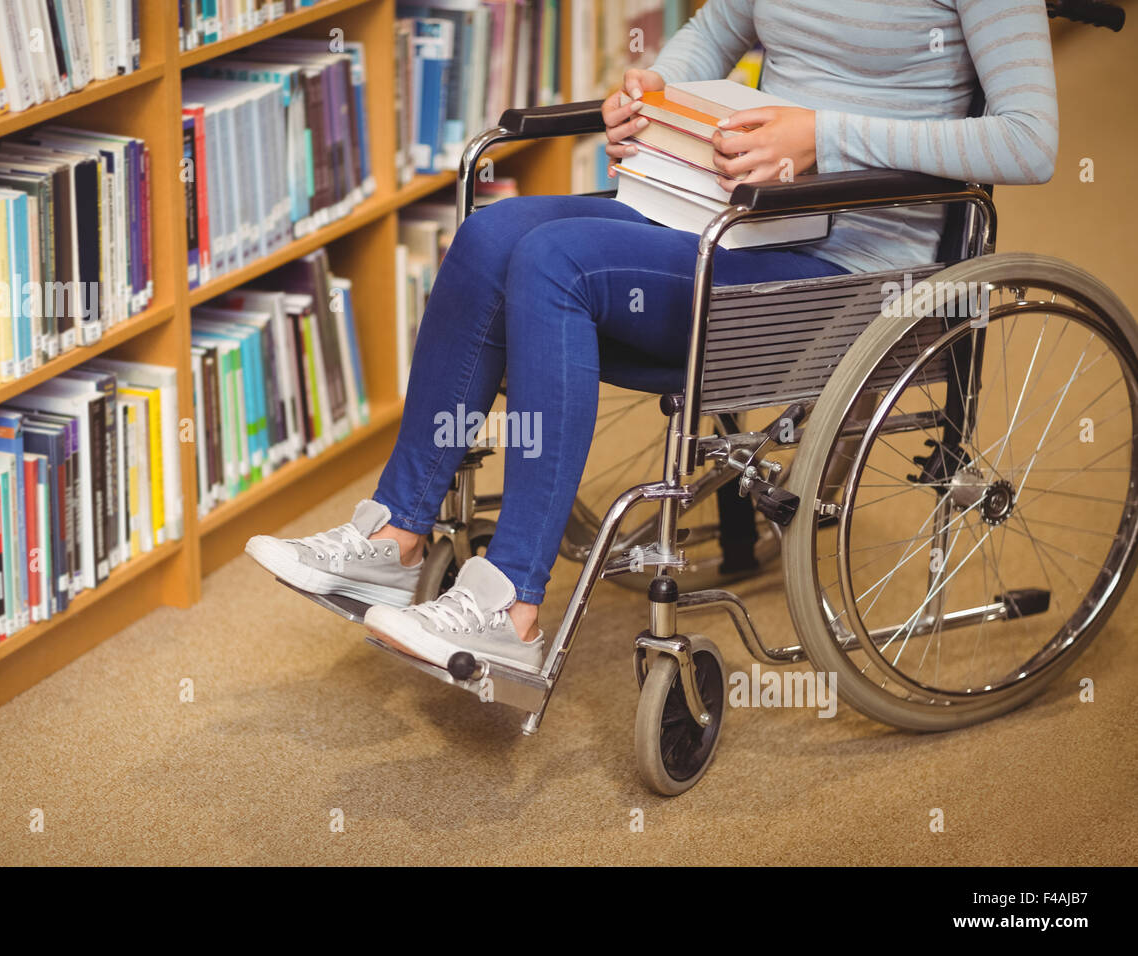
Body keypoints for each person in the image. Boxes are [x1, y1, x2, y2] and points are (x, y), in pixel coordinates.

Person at [245, 0, 1058, 674]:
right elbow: (719, 26)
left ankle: (511, 608)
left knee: (555, 261)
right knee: (493, 238)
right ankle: (396, 532)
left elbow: (1029, 139)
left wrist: (824, 136)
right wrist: (655, 85)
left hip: (855, 271)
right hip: (733, 220)